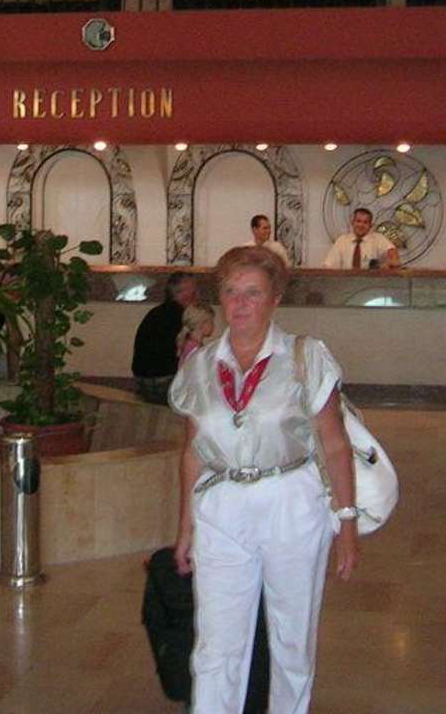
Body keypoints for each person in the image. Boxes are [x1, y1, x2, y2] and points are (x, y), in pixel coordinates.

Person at [170, 245, 360, 714]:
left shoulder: (305, 357)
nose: (239, 304)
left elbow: (335, 445)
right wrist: (185, 526)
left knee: (292, 639)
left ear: (275, 299)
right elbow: (193, 450)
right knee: (215, 646)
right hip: (221, 503)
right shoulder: (199, 365)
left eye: (252, 293)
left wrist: (347, 523)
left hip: (291, 500)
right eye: (231, 292)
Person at [133, 272, 198, 404]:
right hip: (164, 383)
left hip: (142, 382)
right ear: (184, 293)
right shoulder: (183, 317)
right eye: (194, 289)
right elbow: (187, 353)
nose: (197, 294)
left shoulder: (156, 313)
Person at [323, 207, 400, 270]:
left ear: (370, 225)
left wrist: (391, 262)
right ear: (352, 223)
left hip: (371, 282)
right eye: (358, 221)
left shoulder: (378, 239)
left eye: (365, 222)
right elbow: (329, 265)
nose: (361, 225)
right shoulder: (342, 241)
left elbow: (392, 252)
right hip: (346, 282)